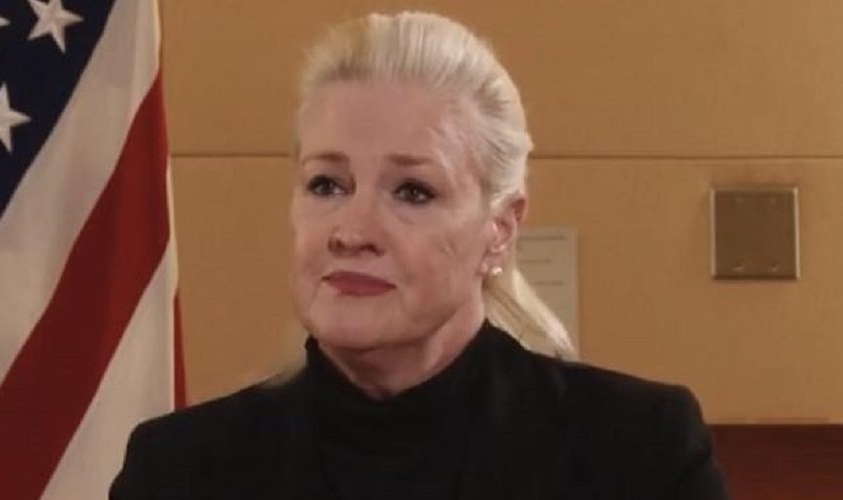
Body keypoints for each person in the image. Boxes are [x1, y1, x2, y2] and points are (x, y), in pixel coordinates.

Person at [110, 11, 728, 500]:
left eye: (412, 191)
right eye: (327, 184)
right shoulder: (178, 471)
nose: (352, 231)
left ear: (500, 230)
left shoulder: (638, 453)